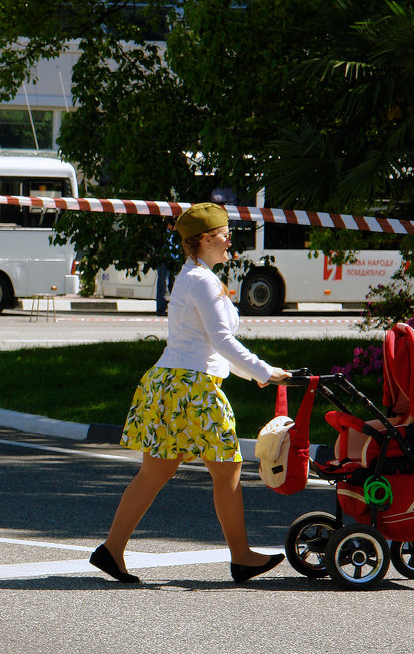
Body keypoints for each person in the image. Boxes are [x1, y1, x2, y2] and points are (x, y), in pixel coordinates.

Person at [89, 202, 289, 585]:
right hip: (191, 387)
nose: (230, 239)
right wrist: (265, 371)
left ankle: (111, 550)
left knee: (157, 470)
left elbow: (210, 345)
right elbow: (221, 339)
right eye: (225, 233)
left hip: (173, 381)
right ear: (205, 239)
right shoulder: (203, 281)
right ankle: (242, 556)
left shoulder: (192, 277)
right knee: (226, 467)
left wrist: (257, 376)